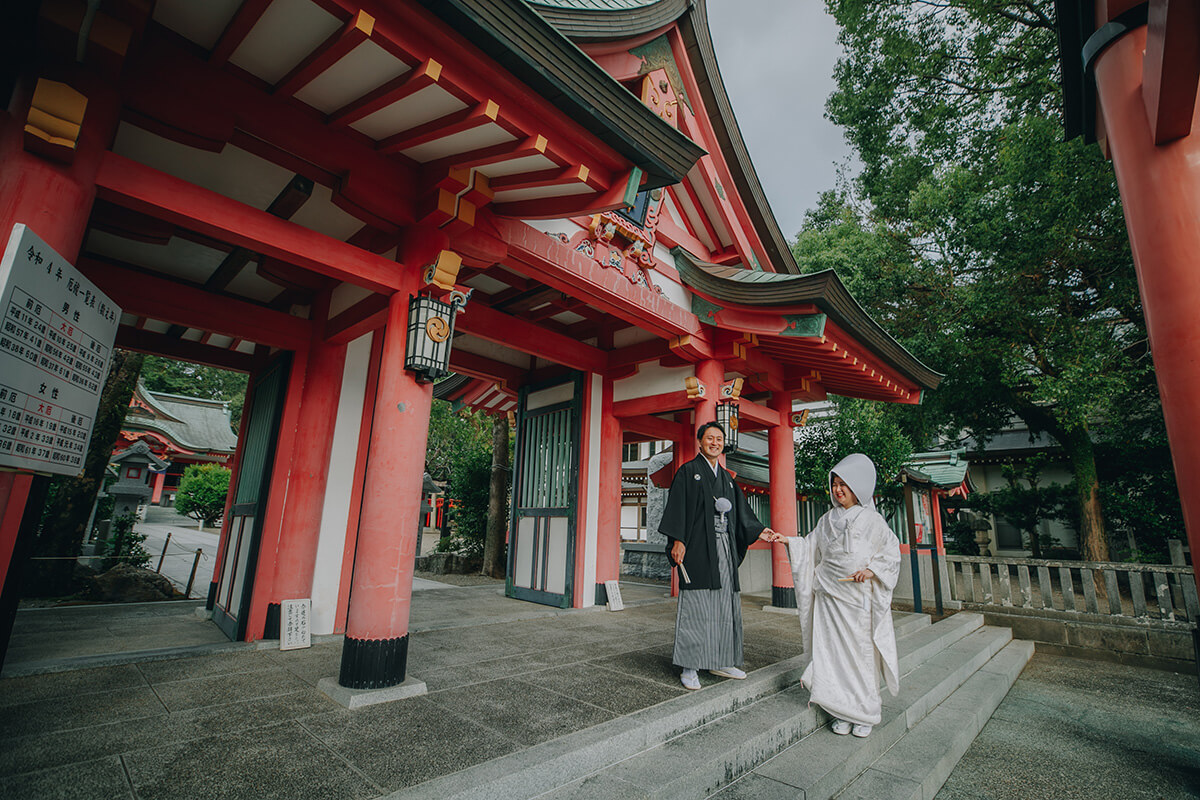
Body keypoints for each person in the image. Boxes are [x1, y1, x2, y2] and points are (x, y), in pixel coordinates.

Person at [768, 453, 901, 738]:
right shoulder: (827, 519)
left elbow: (890, 553)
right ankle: (840, 710)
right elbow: (809, 545)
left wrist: (872, 570)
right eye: (835, 484)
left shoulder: (873, 520)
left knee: (860, 655)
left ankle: (865, 712)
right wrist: (787, 540)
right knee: (832, 654)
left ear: (858, 487)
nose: (838, 489)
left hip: (856, 599)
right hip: (829, 595)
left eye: (844, 484)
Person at [660, 421, 777, 691]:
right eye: (710, 438)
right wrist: (678, 540)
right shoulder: (688, 472)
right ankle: (690, 665)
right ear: (700, 442)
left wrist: (759, 531)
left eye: (719, 439)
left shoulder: (726, 478)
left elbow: (742, 513)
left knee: (726, 603)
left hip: (724, 546)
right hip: (697, 546)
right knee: (697, 604)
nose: (715, 442)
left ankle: (722, 660)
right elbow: (678, 508)